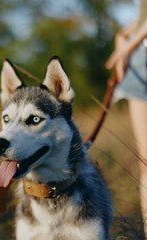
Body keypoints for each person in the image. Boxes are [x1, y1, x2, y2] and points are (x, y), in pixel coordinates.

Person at [105, 0, 147, 235]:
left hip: (137, 53)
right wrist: (124, 35)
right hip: (142, 63)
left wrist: (127, 48)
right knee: (146, 162)